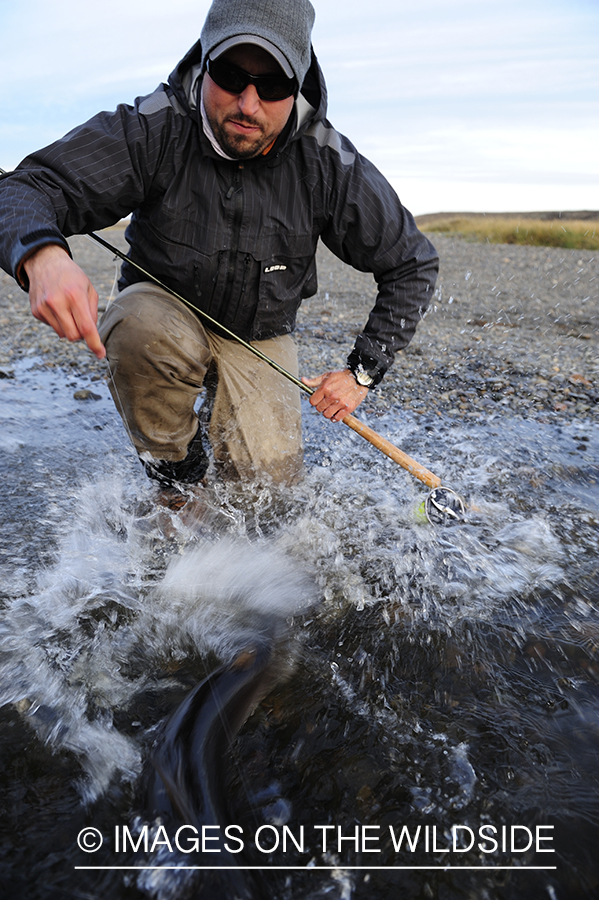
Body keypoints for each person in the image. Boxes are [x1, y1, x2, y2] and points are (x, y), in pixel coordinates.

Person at [0, 0, 438, 488]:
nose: (248, 104)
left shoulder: (327, 162)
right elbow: (23, 188)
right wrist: (41, 256)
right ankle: (178, 475)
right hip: (160, 321)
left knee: (266, 496)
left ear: (300, 85)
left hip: (261, 337)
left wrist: (360, 373)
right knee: (139, 328)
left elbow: (413, 264)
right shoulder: (152, 128)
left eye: (273, 86)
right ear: (203, 63)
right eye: (230, 76)